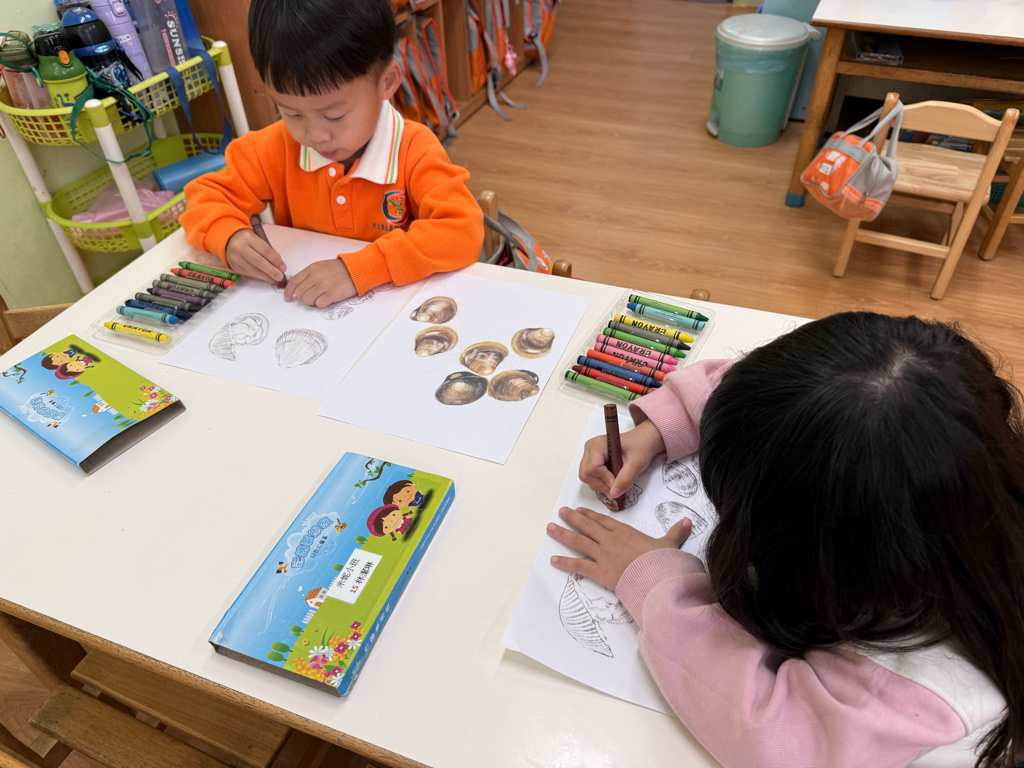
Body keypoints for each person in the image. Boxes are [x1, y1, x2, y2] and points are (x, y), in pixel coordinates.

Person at [548, 312, 1024, 768]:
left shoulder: (927, 691)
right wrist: (658, 429)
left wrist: (653, 582)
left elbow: (773, 738)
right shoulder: (952, 421)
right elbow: (772, 389)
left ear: (823, 561)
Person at [180, 0, 483, 308]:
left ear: (387, 81)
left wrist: (359, 269)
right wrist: (228, 237)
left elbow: (462, 231)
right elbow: (205, 197)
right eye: (292, 114)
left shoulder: (414, 149)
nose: (315, 135)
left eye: (335, 116)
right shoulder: (276, 145)